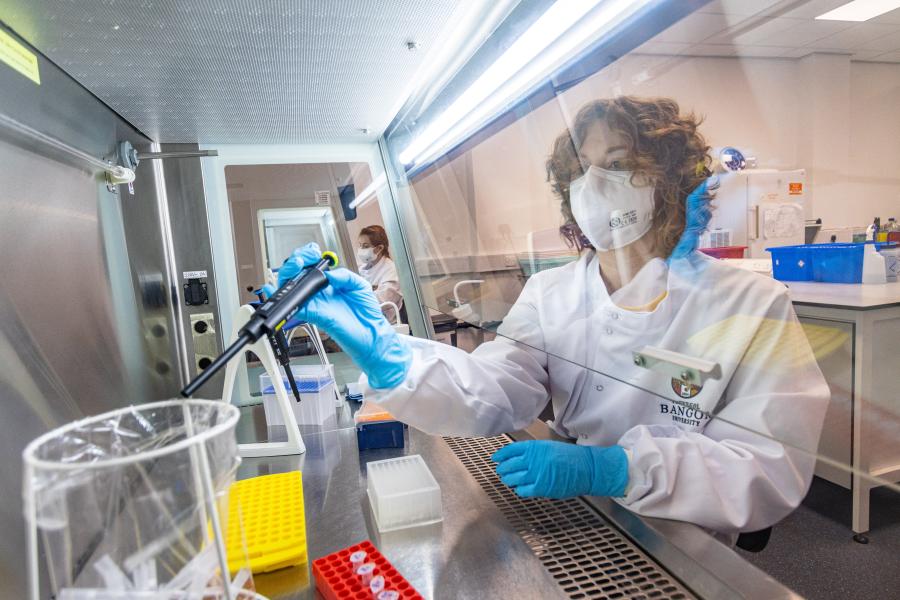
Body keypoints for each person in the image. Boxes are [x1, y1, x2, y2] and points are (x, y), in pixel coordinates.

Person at [275, 96, 829, 535]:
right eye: (583, 171)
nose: (596, 185)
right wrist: (393, 361)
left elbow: (769, 469)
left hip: (690, 532)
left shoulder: (752, 304)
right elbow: (495, 389)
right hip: (577, 515)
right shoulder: (552, 292)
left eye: (617, 164)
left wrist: (617, 467)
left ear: (670, 180)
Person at [356, 225, 404, 324]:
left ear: (379, 248)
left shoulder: (391, 271)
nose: (361, 249)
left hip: (388, 327)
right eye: (360, 245)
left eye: (365, 246)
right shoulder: (362, 269)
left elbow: (381, 300)